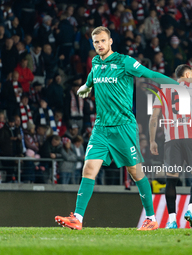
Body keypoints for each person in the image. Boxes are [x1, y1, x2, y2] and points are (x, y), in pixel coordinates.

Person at [55, 26, 180, 231]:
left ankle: (151, 218)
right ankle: (77, 217)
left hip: (124, 127)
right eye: (96, 42)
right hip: (101, 128)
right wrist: (85, 87)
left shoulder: (124, 62)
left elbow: (150, 74)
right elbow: (91, 78)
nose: (100, 45)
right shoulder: (96, 63)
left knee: (135, 172)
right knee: (89, 168)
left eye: (103, 41)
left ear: (111, 41)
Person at [149, 64, 192, 229]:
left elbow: (154, 118)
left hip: (171, 140)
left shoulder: (163, 91)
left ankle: (172, 220)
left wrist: (152, 140)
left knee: (171, 180)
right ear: (188, 74)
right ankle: (190, 209)